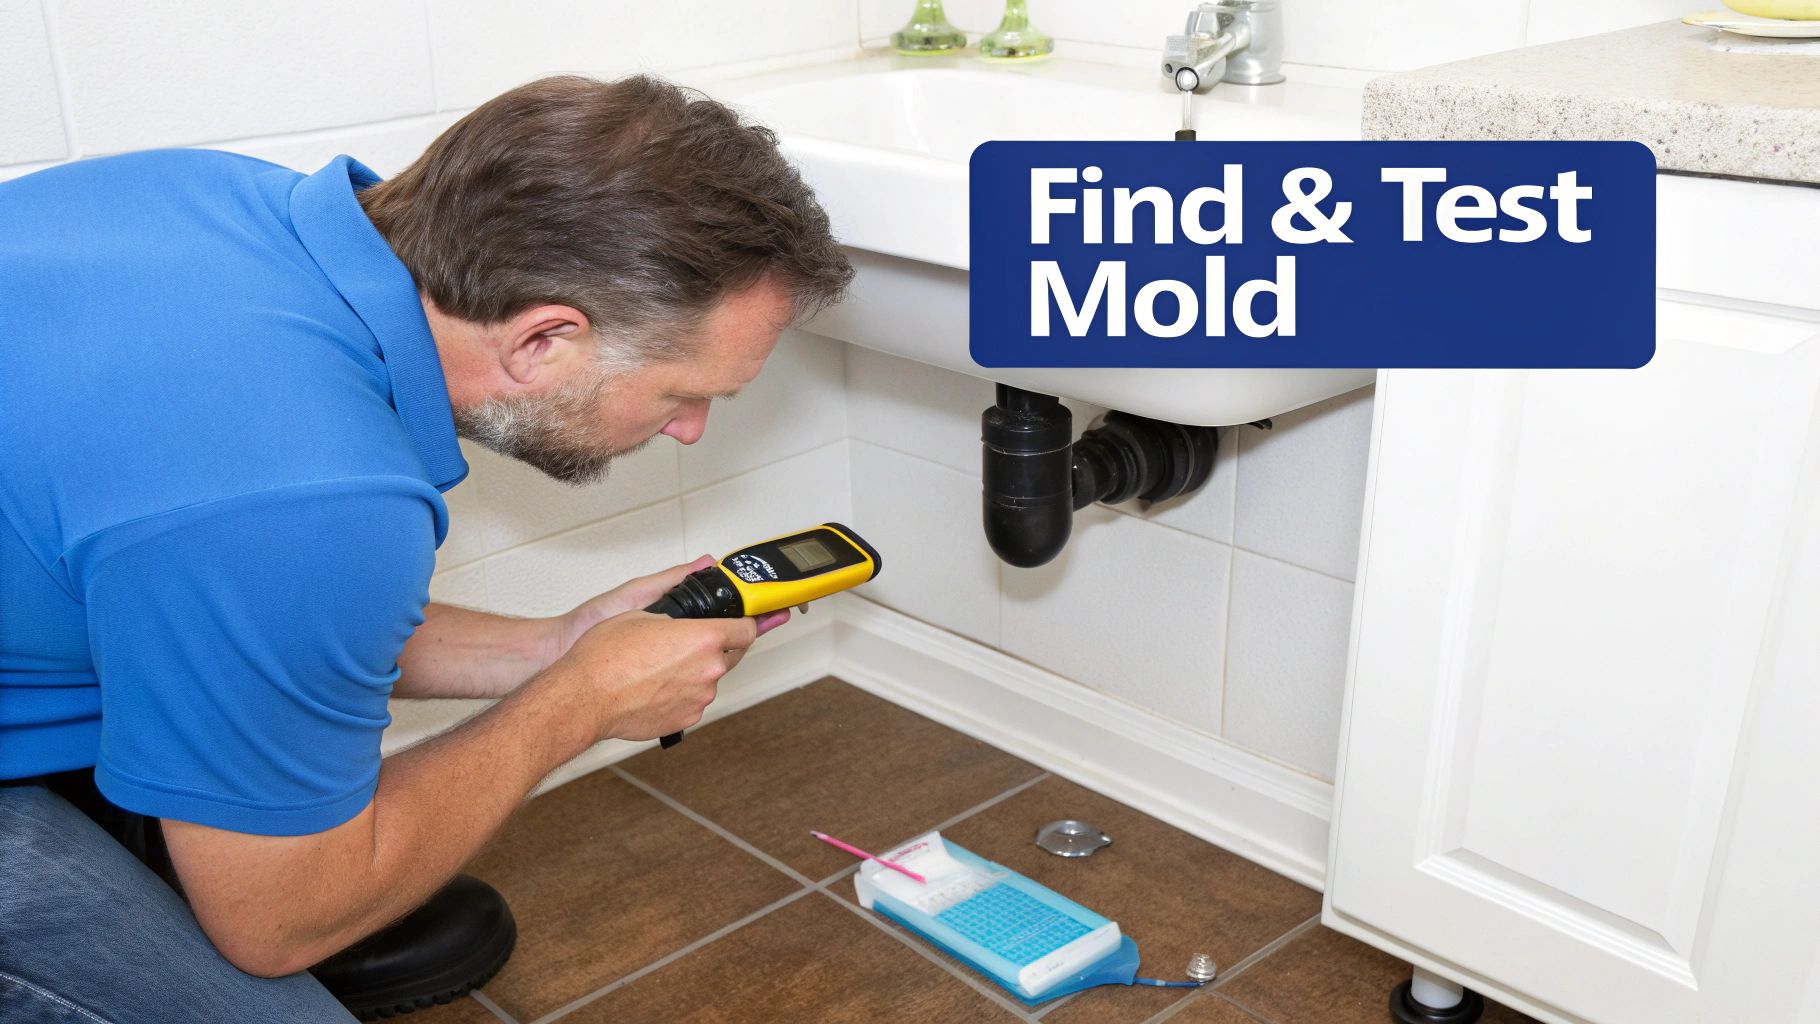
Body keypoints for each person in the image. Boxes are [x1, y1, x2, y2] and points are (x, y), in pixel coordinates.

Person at [0, 74, 852, 1022]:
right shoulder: (310, 492)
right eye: (681, 392)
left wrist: (558, 643)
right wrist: (578, 703)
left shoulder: (214, 198)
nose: (691, 429)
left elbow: (250, 602)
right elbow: (273, 926)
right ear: (543, 341)